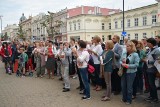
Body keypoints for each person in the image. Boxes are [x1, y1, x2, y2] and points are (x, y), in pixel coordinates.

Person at [144, 38, 160, 103]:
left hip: (152, 69)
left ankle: (155, 98)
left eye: (147, 42)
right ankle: (151, 96)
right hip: (148, 69)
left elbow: (157, 61)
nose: (147, 43)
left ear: (150, 43)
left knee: (152, 84)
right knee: (150, 84)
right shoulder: (150, 49)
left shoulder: (156, 50)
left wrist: (147, 61)